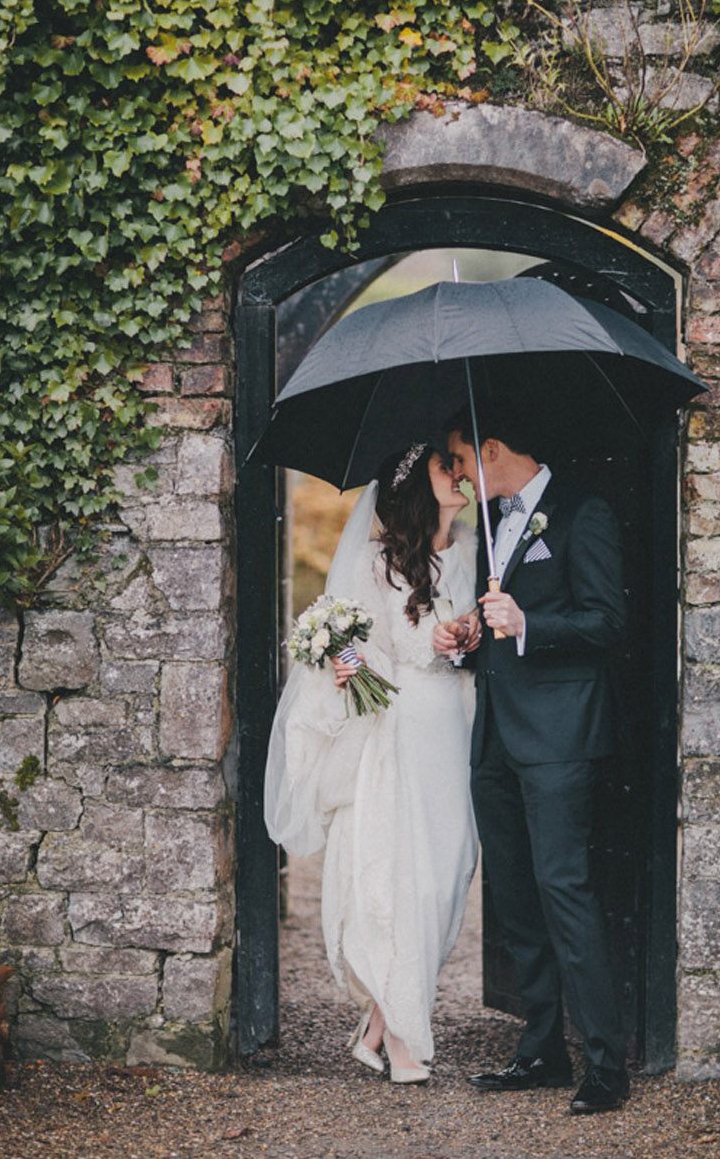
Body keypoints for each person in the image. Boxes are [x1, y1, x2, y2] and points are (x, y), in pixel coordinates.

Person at [264, 443, 481, 1083]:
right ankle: (407, 1038)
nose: (462, 475)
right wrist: (348, 663)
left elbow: (477, 634)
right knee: (400, 877)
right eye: (449, 467)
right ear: (418, 484)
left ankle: (380, 1024)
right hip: (399, 728)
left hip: (455, 727)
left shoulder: (473, 548)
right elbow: (355, 645)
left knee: (447, 876)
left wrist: (465, 633)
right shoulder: (376, 560)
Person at [440, 402, 630, 1116]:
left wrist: (527, 624)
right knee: (515, 899)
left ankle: (607, 1067)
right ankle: (541, 1050)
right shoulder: (491, 527)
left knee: (564, 892)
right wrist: (472, 636)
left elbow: (607, 619)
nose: (457, 473)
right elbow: (496, 622)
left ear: (492, 448)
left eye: (461, 458)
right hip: (495, 737)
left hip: (559, 740)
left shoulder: (583, 513)